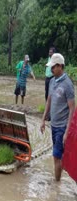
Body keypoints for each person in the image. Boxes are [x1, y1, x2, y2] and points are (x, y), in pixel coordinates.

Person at [40, 53, 75, 182]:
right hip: (53, 125)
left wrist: (67, 131)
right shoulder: (52, 82)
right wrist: (43, 120)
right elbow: (48, 101)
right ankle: (59, 180)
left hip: (62, 126)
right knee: (58, 156)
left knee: (56, 156)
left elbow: (72, 109)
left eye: (53, 67)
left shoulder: (68, 85)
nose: (51, 70)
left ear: (60, 66)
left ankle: (56, 185)